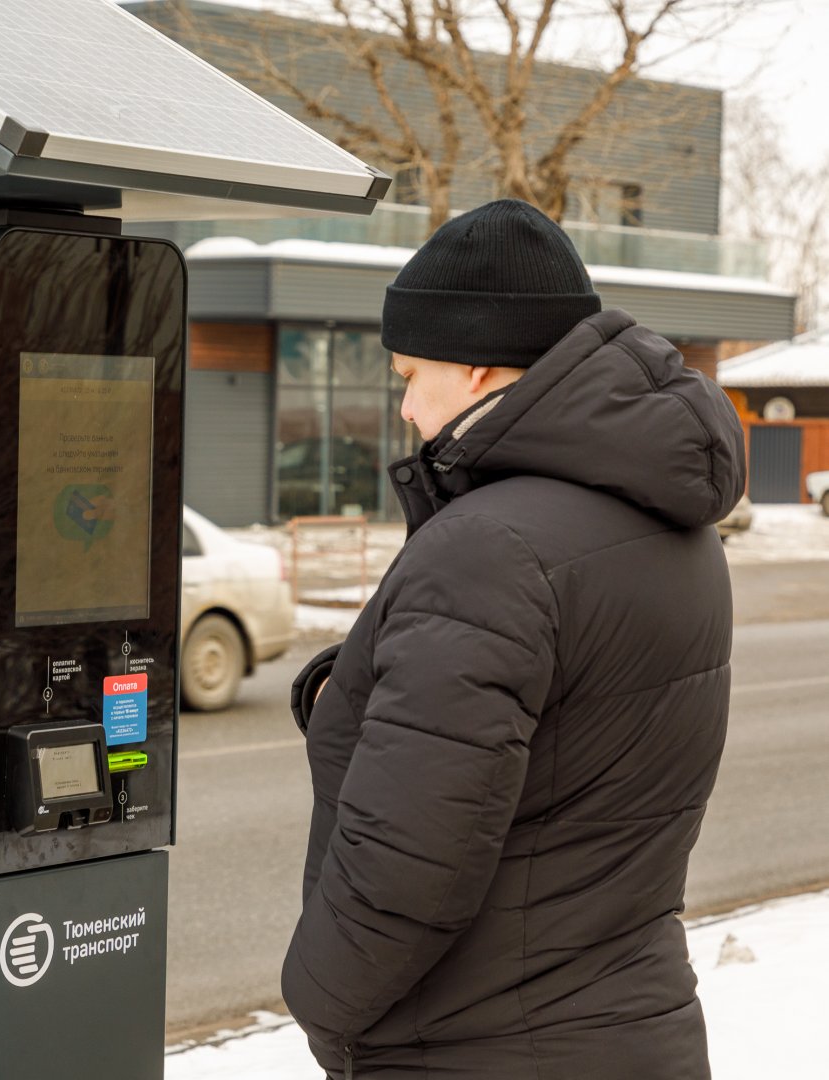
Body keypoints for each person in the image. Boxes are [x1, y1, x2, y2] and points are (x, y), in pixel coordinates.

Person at [282, 199, 745, 1079]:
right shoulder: (676, 527)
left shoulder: (487, 549)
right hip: (633, 1022)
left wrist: (321, 1003)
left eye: (413, 373)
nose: (408, 407)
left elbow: (410, 862)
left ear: (483, 369)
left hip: (476, 1042)